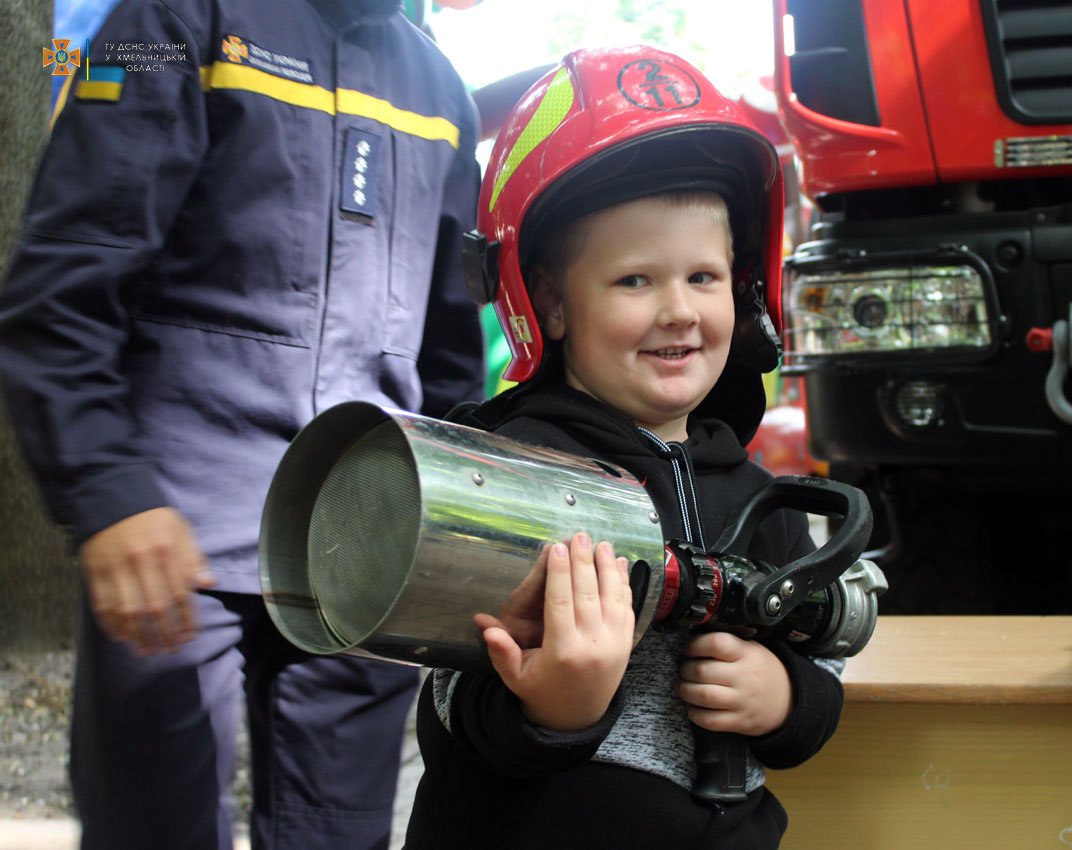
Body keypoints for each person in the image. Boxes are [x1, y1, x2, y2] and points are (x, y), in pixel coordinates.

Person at [0, 1, 483, 848]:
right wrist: (107, 493)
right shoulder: (160, 22)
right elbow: (63, 290)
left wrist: (443, 535)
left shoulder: (442, 90)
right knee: (149, 828)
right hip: (170, 539)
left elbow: (448, 358)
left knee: (336, 836)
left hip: (363, 549)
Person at [403, 45, 845, 850]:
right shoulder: (513, 472)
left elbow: (827, 665)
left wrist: (786, 699)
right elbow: (446, 705)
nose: (679, 310)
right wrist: (551, 709)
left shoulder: (761, 494)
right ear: (550, 304)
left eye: (703, 278)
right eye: (635, 281)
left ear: (743, 290)